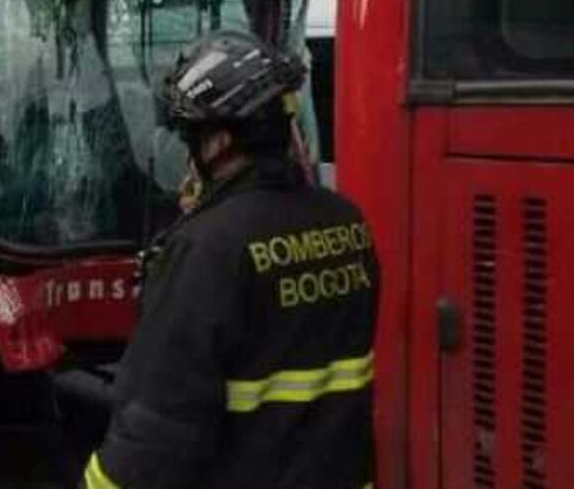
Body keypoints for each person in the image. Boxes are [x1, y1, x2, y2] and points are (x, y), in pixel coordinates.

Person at [84, 30, 379, 489]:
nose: (189, 157)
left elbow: (158, 425)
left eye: (191, 139)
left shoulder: (208, 247)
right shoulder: (347, 223)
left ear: (219, 142)